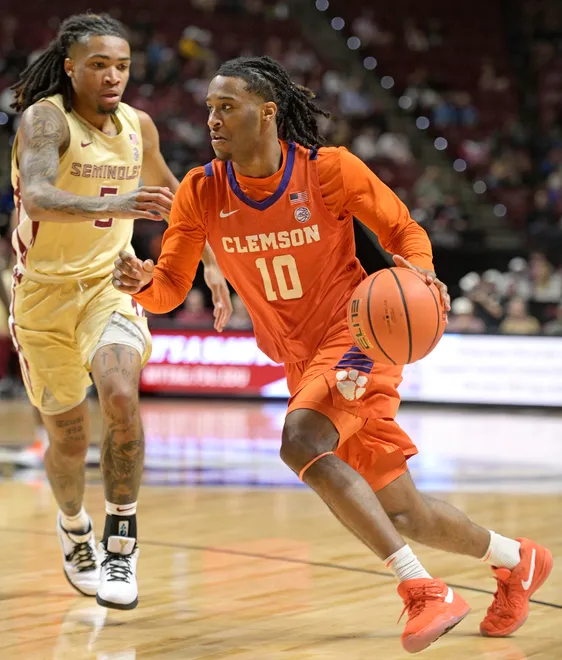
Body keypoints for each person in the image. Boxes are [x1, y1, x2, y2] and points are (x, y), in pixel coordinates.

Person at [113, 56, 552, 652]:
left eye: (227, 107)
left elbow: (406, 233)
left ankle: (422, 590)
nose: (212, 119)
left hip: (362, 336)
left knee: (300, 440)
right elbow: (169, 289)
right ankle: (517, 560)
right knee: (404, 512)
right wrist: (141, 282)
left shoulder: (329, 171)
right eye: (209, 109)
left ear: (267, 113)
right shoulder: (200, 190)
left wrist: (420, 277)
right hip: (299, 358)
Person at [9, 12, 232, 610]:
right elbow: (37, 195)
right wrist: (121, 200)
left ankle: (121, 540)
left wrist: (209, 259)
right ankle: (74, 526)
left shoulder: (139, 126)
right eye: (99, 64)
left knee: (120, 395)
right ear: (70, 67)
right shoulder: (46, 120)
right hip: (41, 300)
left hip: (109, 286)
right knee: (65, 436)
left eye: (123, 66)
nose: (113, 76)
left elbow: (177, 197)